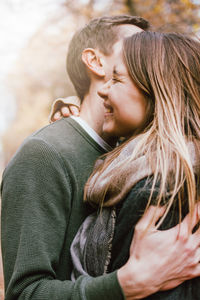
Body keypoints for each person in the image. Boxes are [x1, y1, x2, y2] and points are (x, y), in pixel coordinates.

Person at [1, 15, 200, 300]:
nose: (146, 52)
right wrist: (123, 285)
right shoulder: (44, 154)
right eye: (133, 45)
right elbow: (24, 293)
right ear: (95, 61)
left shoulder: (141, 157)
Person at [69, 31, 200, 299]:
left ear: (156, 89)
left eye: (116, 79)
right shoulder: (145, 168)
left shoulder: (160, 190)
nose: (103, 90)